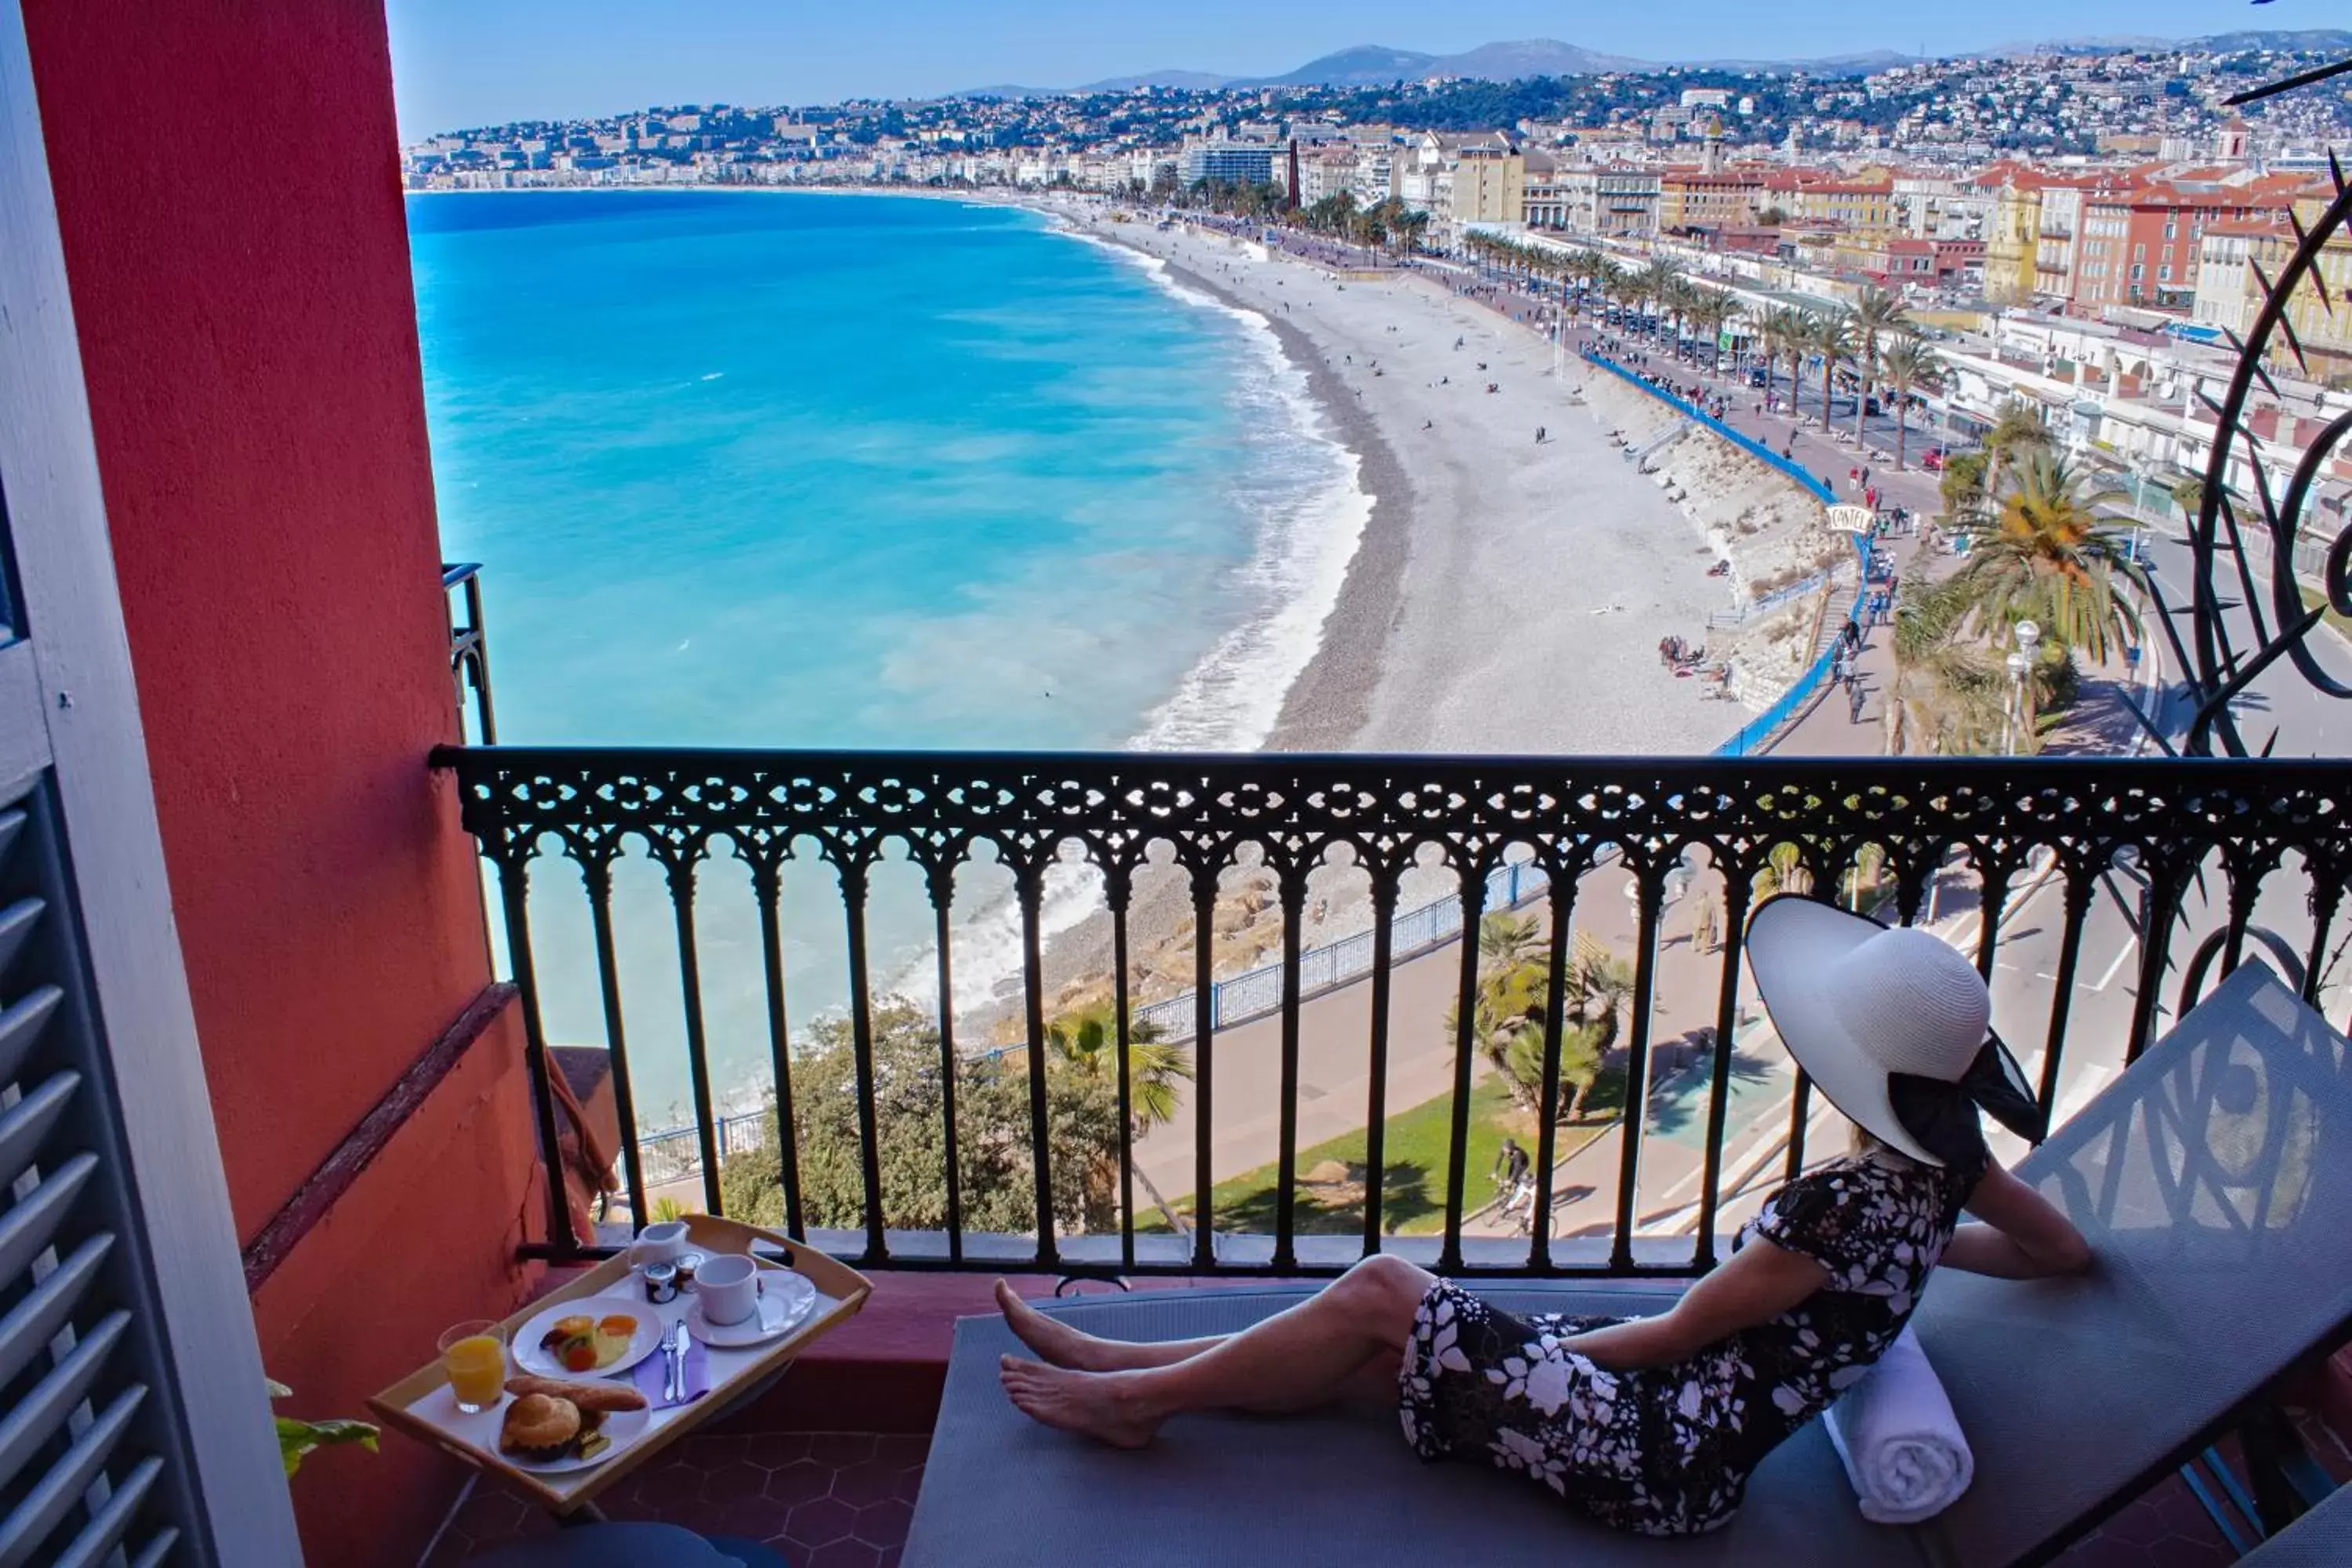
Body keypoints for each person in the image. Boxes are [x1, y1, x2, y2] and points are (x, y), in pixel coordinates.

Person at [993, 906, 2089, 1537]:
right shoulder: (1937, 1187)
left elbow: (1668, 1337)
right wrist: (1921, 1259)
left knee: (1385, 1292)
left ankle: (1131, 1398)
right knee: (1386, 1345)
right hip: (1675, 1419)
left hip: (1660, 1453)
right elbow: (2059, 1251)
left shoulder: (1837, 1208)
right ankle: (1115, 1361)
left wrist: (1523, 1354)